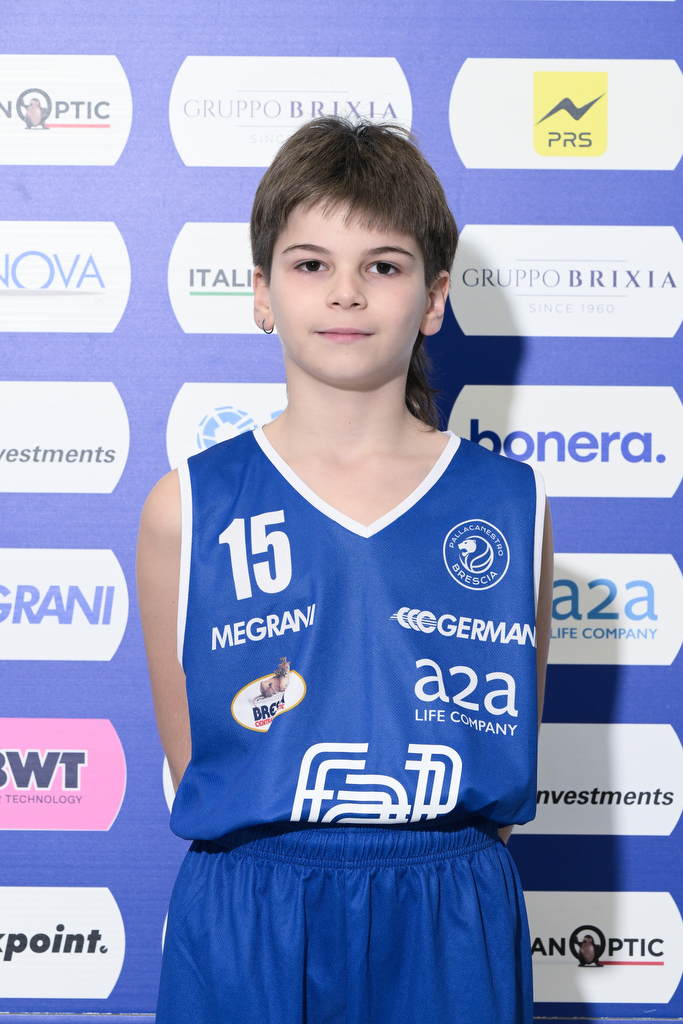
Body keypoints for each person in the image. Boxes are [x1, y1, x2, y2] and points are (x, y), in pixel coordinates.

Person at [137, 116, 553, 1024]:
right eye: (310, 263)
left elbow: (506, 761)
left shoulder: (510, 503)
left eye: (384, 266)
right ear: (261, 292)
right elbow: (197, 757)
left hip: (448, 909)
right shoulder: (189, 505)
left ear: (433, 299)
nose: (346, 292)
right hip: (251, 905)